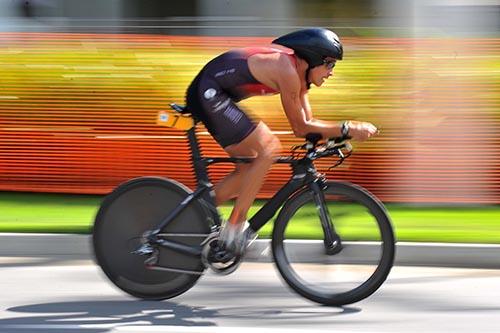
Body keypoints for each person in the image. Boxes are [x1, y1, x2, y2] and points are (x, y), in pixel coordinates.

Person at [185, 28, 378, 255]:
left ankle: (193, 215)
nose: (331, 72)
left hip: (216, 94)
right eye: (329, 64)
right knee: (269, 148)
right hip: (209, 91)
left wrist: (332, 136)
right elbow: (300, 127)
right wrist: (348, 128)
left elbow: (309, 124)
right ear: (313, 59)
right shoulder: (286, 70)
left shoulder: (301, 79)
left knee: (250, 164)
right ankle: (235, 229)